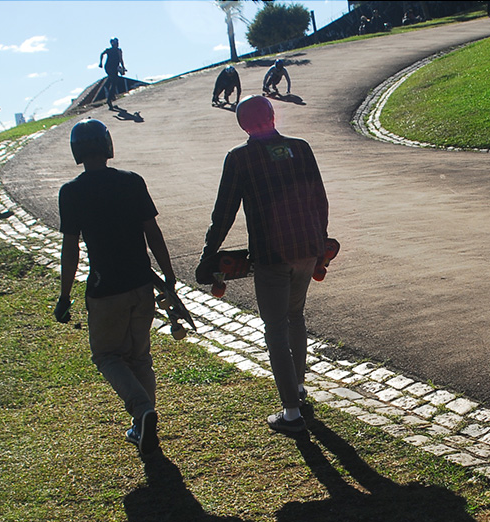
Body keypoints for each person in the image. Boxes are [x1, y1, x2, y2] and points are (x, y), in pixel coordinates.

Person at [196, 95, 329, 434]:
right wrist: (321, 243)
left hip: (271, 255)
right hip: (307, 249)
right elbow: (320, 199)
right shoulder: (300, 148)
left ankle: (291, 412)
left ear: (243, 125)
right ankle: (299, 387)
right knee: (295, 316)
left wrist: (209, 253)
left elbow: (224, 212)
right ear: (273, 116)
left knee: (275, 328)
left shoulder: (239, 158)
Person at [55, 119, 177, 456]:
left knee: (107, 355)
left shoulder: (71, 192)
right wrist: (168, 275)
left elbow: (70, 249)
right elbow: (153, 233)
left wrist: (64, 296)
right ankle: (143, 426)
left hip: (105, 288)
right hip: (141, 284)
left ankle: (142, 411)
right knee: (140, 357)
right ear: (108, 146)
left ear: (77, 151)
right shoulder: (131, 181)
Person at [99, 38, 126, 110]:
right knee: (114, 82)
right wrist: (100, 63)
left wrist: (123, 67)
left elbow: (120, 59)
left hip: (111, 67)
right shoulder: (114, 50)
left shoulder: (114, 50)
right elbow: (120, 59)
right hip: (110, 67)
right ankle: (109, 99)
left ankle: (111, 95)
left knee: (113, 81)